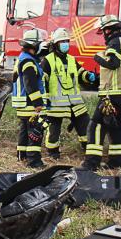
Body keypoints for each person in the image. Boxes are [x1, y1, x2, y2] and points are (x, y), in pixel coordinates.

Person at [80, 15, 121, 170]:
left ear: (109, 30)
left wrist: (98, 58)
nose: (103, 34)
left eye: (103, 31)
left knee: (96, 126)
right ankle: (116, 163)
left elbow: (113, 63)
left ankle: (91, 163)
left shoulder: (114, 43)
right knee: (117, 128)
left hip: (111, 95)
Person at [39, 28, 90, 159]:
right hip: (56, 103)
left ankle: (89, 149)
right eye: (62, 41)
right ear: (55, 44)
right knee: (54, 130)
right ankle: (53, 153)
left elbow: (80, 72)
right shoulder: (47, 61)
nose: (65, 44)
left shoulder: (72, 59)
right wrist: (44, 103)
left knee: (84, 124)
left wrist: (89, 76)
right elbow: (42, 83)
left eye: (67, 41)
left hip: (75, 102)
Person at [11, 28, 46, 169]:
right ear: (34, 46)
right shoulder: (28, 62)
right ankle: (34, 161)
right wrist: (38, 103)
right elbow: (30, 83)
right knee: (35, 133)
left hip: (23, 104)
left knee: (25, 132)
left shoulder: (23, 58)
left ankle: (22, 156)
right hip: (30, 105)